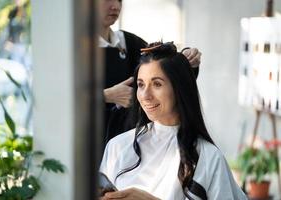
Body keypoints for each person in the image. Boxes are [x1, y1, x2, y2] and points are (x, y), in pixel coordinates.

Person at [99, 42, 247, 200]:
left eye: (157, 84)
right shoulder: (118, 146)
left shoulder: (208, 157)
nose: (145, 95)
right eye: (141, 85)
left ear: (179, 88)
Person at [100, 0, 202, 145]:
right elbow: (59, 99)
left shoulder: (128, 42)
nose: (115, 6)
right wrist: (105, 96)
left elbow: (164, 65)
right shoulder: (70, 46)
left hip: (136, 137)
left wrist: (186, 60)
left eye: (119, 0)